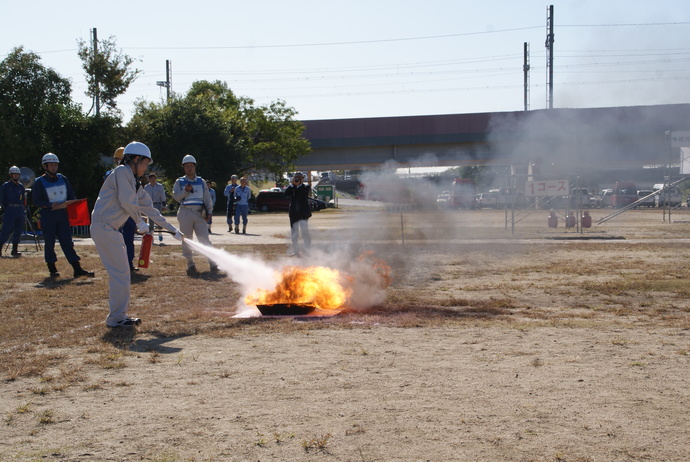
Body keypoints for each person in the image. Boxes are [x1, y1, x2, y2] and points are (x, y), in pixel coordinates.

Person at [91, 141, 183, 327]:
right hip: (105, 227)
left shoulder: (133, 182)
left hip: (110, 229)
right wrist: (139, 221)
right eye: (145, 163)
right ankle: (116, 318)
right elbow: (126, 200)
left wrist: (173, 230)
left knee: (122, 272)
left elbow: (149, 208)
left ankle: (118, 316)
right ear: (134, 159)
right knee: (121, 273)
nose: (146, 168)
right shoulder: (122, 173)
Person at [32, 153, 94, 278]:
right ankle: (52, 268)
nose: (54, 167)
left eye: (56, 165)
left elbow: (71, 195)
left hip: (62, 215)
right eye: (51, 165)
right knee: (49, 243)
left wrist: (71, 201)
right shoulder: (39, 182)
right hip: (48, 215)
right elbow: (36, 201)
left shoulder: (63, 178)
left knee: (67, 242)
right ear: (45, 166)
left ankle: (77, 269)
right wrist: (50, 205)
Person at [172, 154, 218, 275]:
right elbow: (176, 197)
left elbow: (207, 198)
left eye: (191, 165)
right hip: (185, 211)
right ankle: (190, 264)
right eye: (186, 166)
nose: (189, 168)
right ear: (184, 168)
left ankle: (212, 262)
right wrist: (185, 191)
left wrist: (209, 212)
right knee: (186, 239)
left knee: (204, 239)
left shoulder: (201, 181)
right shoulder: (179, 181)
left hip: (199, 212)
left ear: (195, 166)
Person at [106, 147, 138, 272]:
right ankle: (117, 264)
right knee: (116, 240)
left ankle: (129, 263)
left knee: (129, 239)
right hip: (116, 213)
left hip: (128, 213)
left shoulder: (132, 175)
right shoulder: (111, 174)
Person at [0, 166, 26, 257]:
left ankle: (14, 250)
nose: (16, 176)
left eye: (17, 174)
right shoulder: (5, 186)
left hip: (19, 209)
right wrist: (6, 209)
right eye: (14, 174)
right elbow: (2, 199)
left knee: (18, 231)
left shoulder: (21, 186)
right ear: (10, 175)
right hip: (10, 210)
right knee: (6, 230)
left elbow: (23, 199)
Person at [285, 172, 312, 256]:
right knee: (294, 232)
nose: (298, 179)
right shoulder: (292, 187)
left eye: (299, 178)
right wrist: (292, 185)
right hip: (294, 213)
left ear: (302, 179)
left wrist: (297, 186)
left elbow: (303, 195)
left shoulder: (306, 187)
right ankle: (295, 251)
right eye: (296, 178)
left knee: (305, 232)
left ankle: (308, 250)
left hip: (303, 213)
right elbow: (286, 194)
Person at [144, 173, 167, 241]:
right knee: (151, 221)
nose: (153, 180)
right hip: (150, 205)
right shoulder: (146, 187)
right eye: (151, 178)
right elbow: (144, 196)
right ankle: (152, 236)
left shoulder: (160, 186)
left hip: (158, 204)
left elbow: (163, 195)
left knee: (159, 220)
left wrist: (164, 205)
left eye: (154, 178)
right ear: (149, 179)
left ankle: (160, 234)